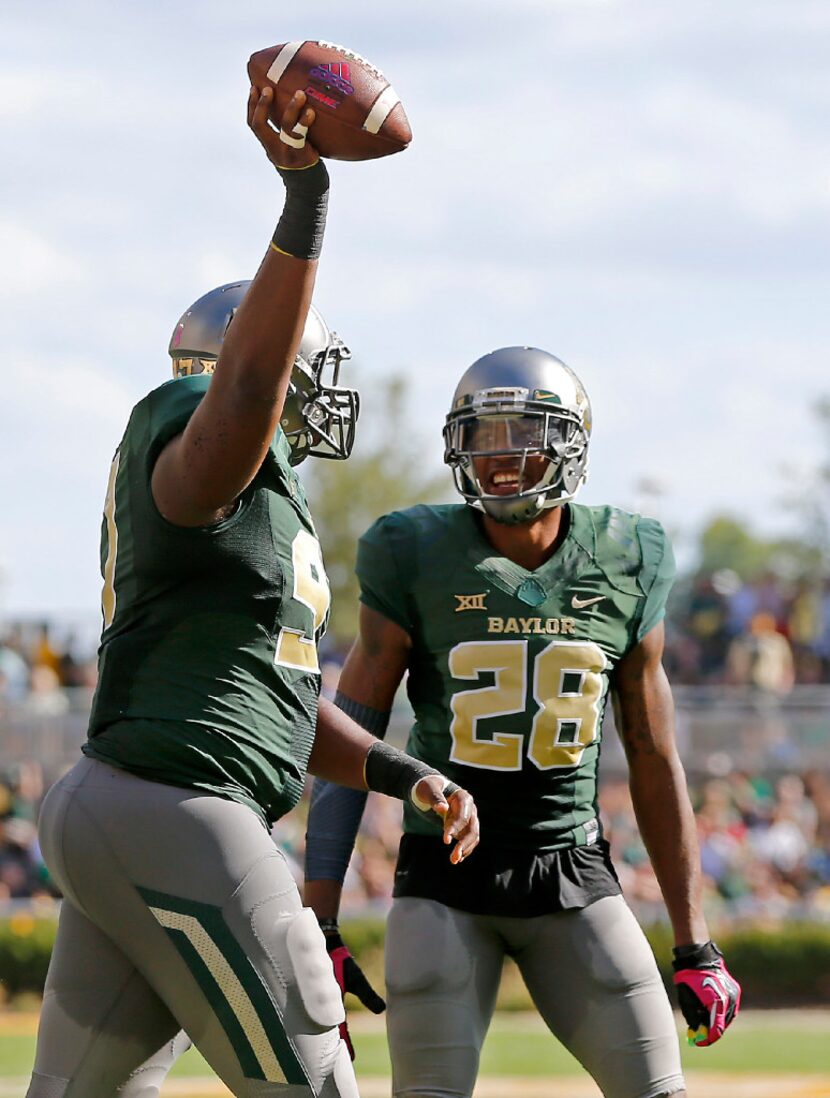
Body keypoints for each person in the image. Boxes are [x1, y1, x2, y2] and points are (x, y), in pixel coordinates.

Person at [25, 85, 478, 1098]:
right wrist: (304, 197)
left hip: (136, 801)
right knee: (313, 1082)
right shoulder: (198, 433)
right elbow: (237, 396)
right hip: (179, 808)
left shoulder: (257, 515)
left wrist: (404, 774)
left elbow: (277, 706)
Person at [305, 347, 741, 1098]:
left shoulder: (628, 556)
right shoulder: (412, 551)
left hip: (571, 866)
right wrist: (320, 923)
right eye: (483, 434)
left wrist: (694, 942)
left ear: (571, 443)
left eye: (522, 431)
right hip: (444, 877)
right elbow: (353, 734)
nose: (500, 454)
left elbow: (653, 754)